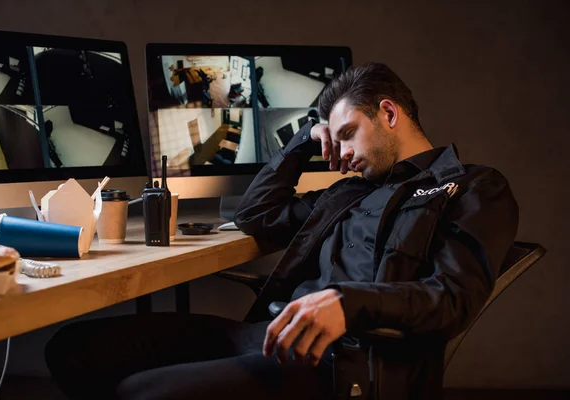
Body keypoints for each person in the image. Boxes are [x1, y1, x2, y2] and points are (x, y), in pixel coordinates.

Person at [45, 62, 518, 399]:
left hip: (342, 360)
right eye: (336, 139)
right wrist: (306, 137)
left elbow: (452, 298)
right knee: (74, 349)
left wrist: (349, 303)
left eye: (349, 132)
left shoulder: (471, 186)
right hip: (266, 331)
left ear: (390, 114)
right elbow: (256, 215)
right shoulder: (347, 191)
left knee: (138, 391)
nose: (342, 151)